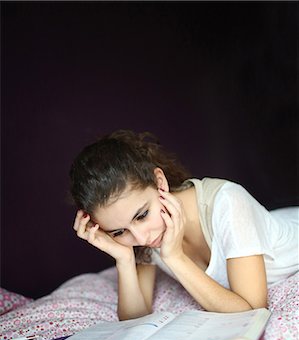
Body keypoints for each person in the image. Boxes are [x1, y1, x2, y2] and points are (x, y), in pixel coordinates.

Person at [70, 129, 298, 320]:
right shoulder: (150, 233)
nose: (141, 238)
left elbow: (252, 313)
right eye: (119, 232)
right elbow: (134, 319)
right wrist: (125, 259)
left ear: (159, 182)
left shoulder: (228, 202)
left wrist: (175, 257)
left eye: (141, 215)